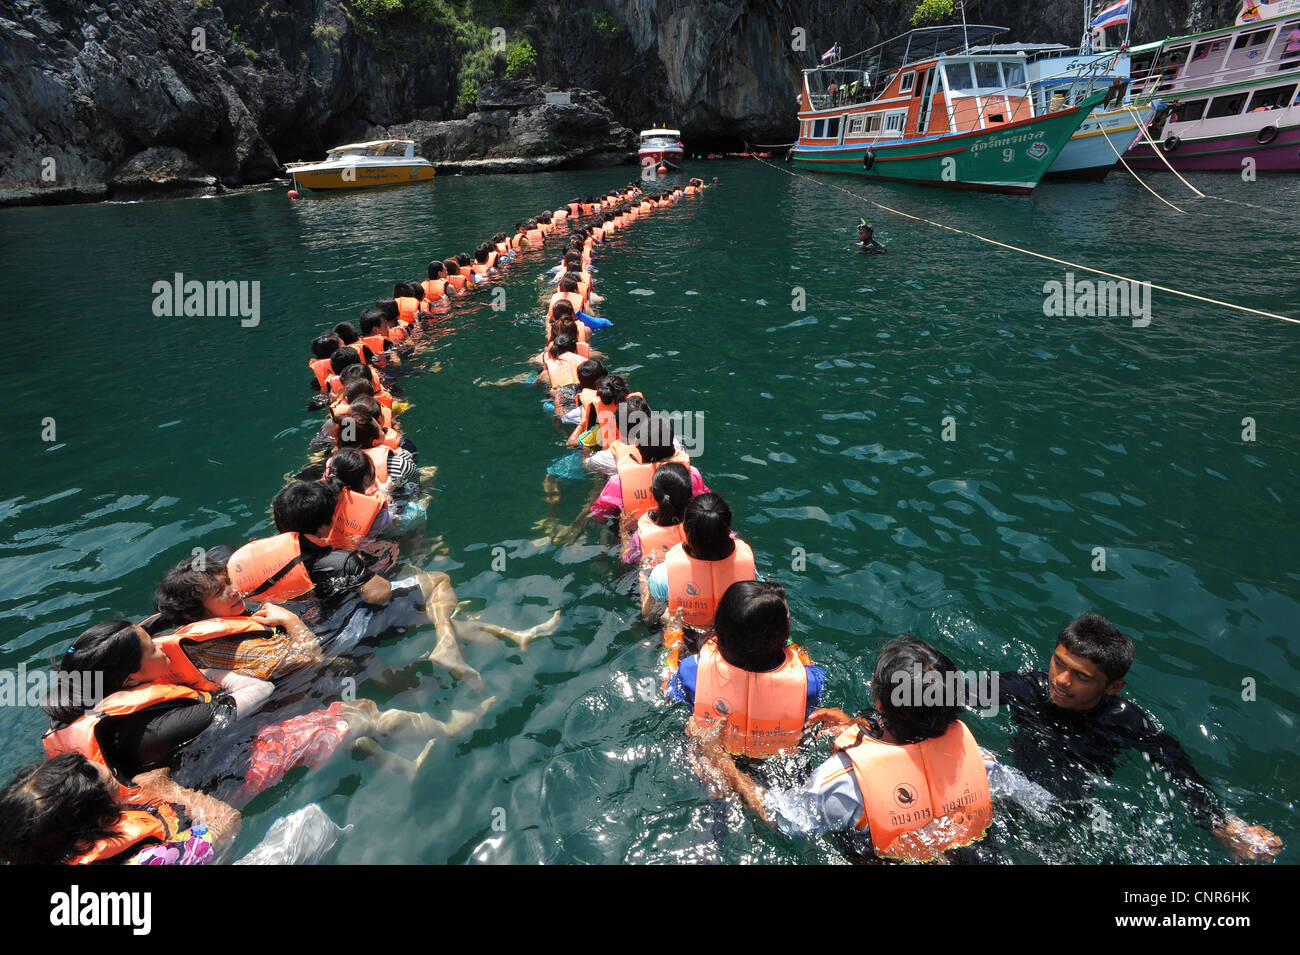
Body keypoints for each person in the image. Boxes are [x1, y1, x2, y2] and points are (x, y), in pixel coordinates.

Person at [689, 636, 1049, 863]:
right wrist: (858, 729)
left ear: (878, 701)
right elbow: (1033, 801)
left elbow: (780, 819)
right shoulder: (982, 762)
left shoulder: (842, 782)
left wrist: (722, 761)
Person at [998, 613, 1282, 862]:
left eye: (1081, 677)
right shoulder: (1028, 688)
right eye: (1058, 663)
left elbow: (1180, 773)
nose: (1061, 680)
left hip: (1075, 812)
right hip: (1011, 791)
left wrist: (1222, 825)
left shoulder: (1127, 722)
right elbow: (959, 693)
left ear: (1113, 687)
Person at [667, 581, 825, 761]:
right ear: (782, 633)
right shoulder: (810, 681)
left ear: (720, 623)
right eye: (788, 620)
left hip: (713, 760)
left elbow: (672, 699)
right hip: (779, 768)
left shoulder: (690, 670)